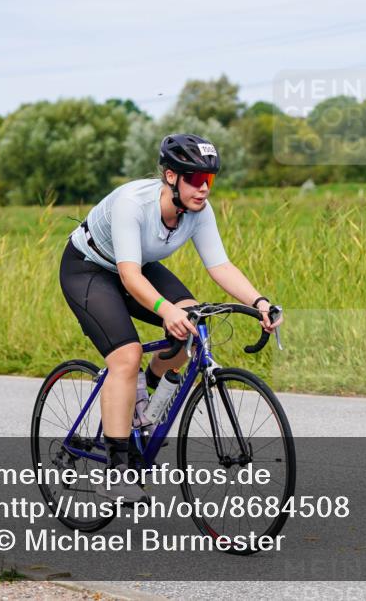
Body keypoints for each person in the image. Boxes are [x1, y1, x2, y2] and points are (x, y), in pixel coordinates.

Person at [58, 133, 283, 503]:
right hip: (88, 270)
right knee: (126, 355)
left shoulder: (199, 212)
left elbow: (221, 265)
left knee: (192, 323)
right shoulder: (134, 203)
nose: (203, 189)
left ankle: (141, 402)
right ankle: (116, 471)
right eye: (195, 179)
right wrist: (165, 309)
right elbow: (129, 277)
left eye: (209, 180)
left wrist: (259, 301)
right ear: (170, 177)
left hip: (138, 267)